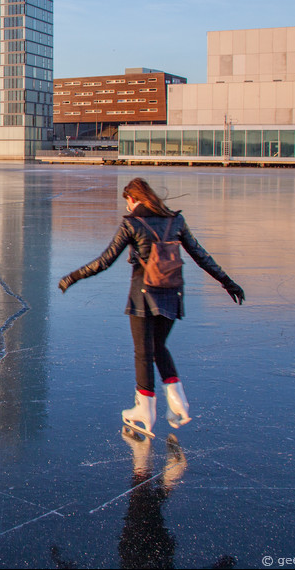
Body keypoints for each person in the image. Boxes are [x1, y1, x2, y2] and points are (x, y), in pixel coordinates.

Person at [57, 178, 245, 437]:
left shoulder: (132, 223)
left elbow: (104, 261)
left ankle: (144, 410)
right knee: (159, 347)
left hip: (143, 295)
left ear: (133, 200)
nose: (128, 206)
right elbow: (201, 255)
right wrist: (228, 282)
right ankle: (179, 404)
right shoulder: (175, 221)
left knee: (143, 352)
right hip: (172, 293)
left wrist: (72, 277)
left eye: (128, 201)